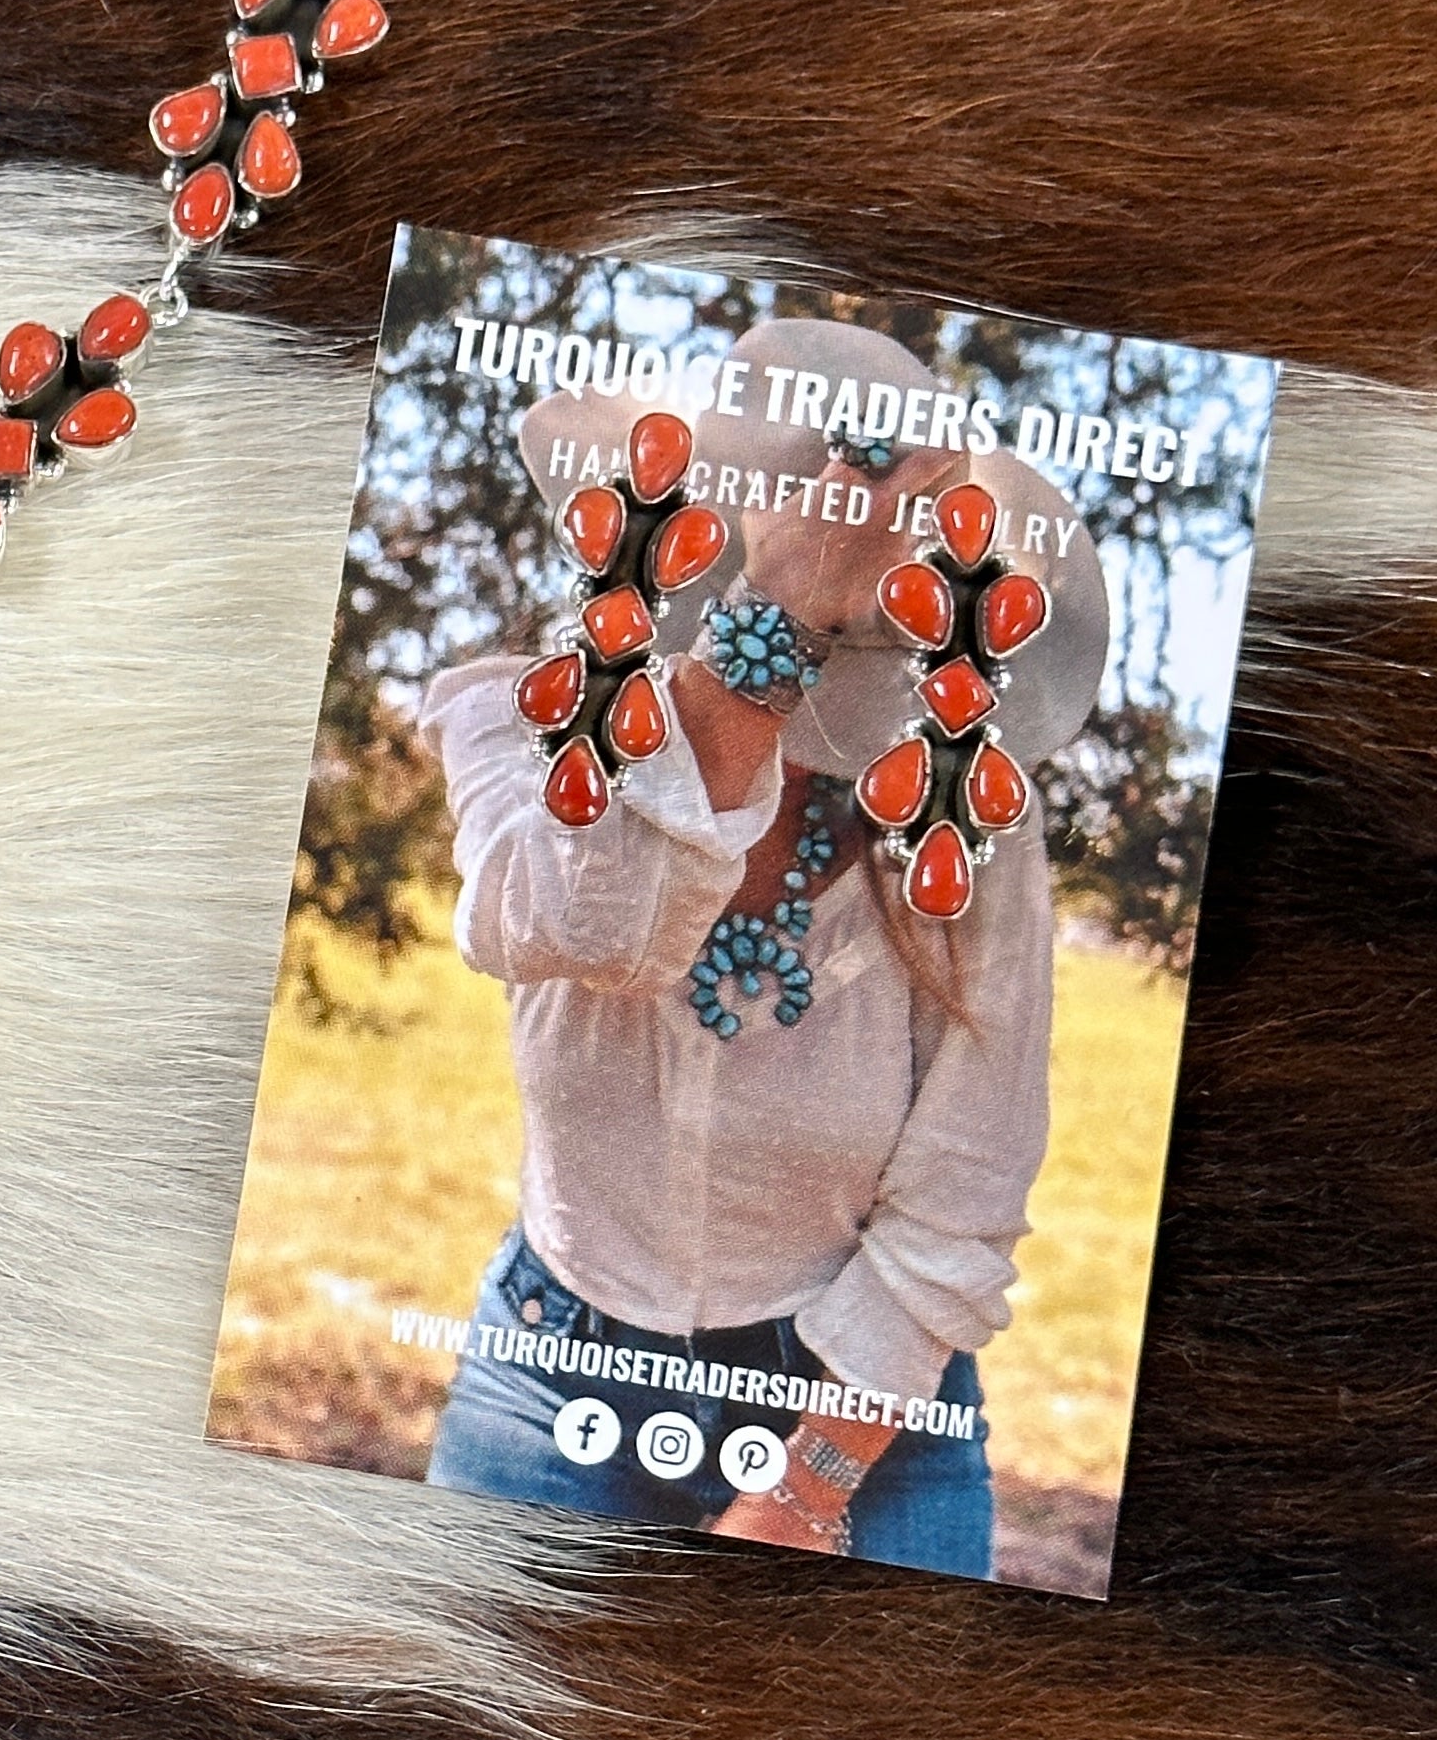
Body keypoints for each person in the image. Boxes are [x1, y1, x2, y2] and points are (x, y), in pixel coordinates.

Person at [419, 321, 1102, 1567]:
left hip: (863, 1421)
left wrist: (799, 1498)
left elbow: (965, 1196)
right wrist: (778, 618)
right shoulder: (519, 721)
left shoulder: (970, 823)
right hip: (549, 1381)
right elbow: (588, 925)